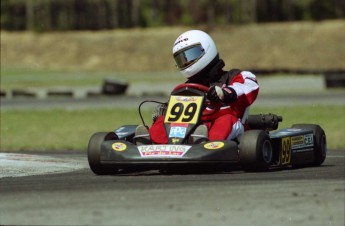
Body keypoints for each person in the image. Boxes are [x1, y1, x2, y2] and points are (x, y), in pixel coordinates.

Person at [134, 30, 259, 144]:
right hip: (192, 129)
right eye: (182, 59)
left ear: (206, 49)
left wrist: (225, 93)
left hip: (232, 130)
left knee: (226, 120)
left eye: (190, 55)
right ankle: (148, 143)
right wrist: (167, 109)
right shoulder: (186, 88)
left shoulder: (234, 76)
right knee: (162, 121)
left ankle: (203, 142)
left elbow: (250, 87)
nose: (187, 62)